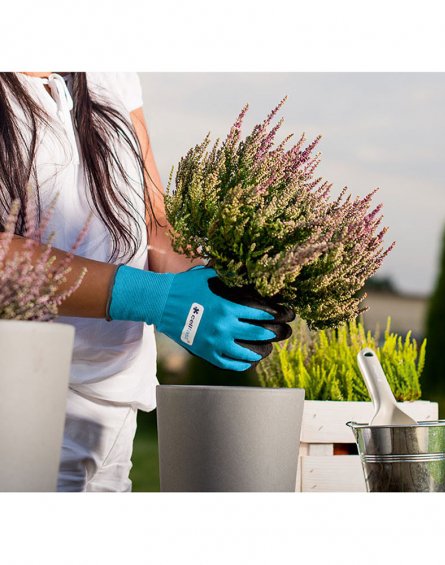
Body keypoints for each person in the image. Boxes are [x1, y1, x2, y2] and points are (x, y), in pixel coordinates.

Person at [0, 72, 293, 492]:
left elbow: (153, 220)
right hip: (23, 398)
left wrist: (204, 290)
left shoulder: (111, 71)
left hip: (118, 399)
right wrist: (155, 299)